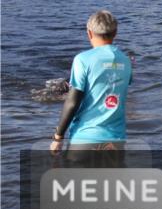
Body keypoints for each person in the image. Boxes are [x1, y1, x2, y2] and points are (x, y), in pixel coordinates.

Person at [50, 10, 133, 152]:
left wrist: (58, 137)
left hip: (85, 139)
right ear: (115, 33)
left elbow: (72, 102)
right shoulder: (126, 61)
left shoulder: (82, 60)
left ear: (89, 33)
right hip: (116, 142)